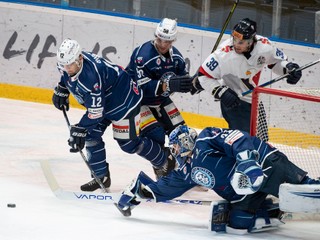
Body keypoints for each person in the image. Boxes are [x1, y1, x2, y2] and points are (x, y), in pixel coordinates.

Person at [116, 125, 320, 233]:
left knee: (306, 194)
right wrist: (141, 192)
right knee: (238, 222)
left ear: (185, 141)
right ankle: (274, 207)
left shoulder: (205, 139)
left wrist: (248, 163)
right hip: (247, 192)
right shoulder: (188, 171)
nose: (175, 151)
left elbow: (237, 138)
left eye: (176, 146)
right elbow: (168, 187)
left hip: (265, 165)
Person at [52, 38, 176, 192]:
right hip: (106, 100)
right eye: (63, 64)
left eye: (69, 64)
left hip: (124, 102)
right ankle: (101, 177)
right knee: (90, 135)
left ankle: (165, 159)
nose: (66, 68)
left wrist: (80, 128)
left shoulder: (91, 78)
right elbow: (68, 77)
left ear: (80, 58)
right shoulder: (71, 64)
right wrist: (62, 87)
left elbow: (95, 113)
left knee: (129, 145)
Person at [191, 18, 302, 136]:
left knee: (262, 139)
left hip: (254, 99)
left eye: (241, 42)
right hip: (234, 100)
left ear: (250, 42)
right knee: (243, 141)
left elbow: (275, 62)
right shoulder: (224, 54)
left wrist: (288, 68)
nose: (236, 44)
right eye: (234, 39)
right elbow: (203, 75)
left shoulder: (264, 46)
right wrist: (221, 92)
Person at [125, 18, 192, 178]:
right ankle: (161, 167)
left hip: (161, 101)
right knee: (155, 135)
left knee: (183, 136)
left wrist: (190, 83)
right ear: (156, 35)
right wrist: (168, 84)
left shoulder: (177, 58)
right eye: (160, 39)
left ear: (173, 40)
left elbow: (183, 81)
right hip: (139, 101)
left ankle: (188, 173)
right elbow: (142, 87)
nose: (163, 44)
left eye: (167, 41)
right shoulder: (143, 55)